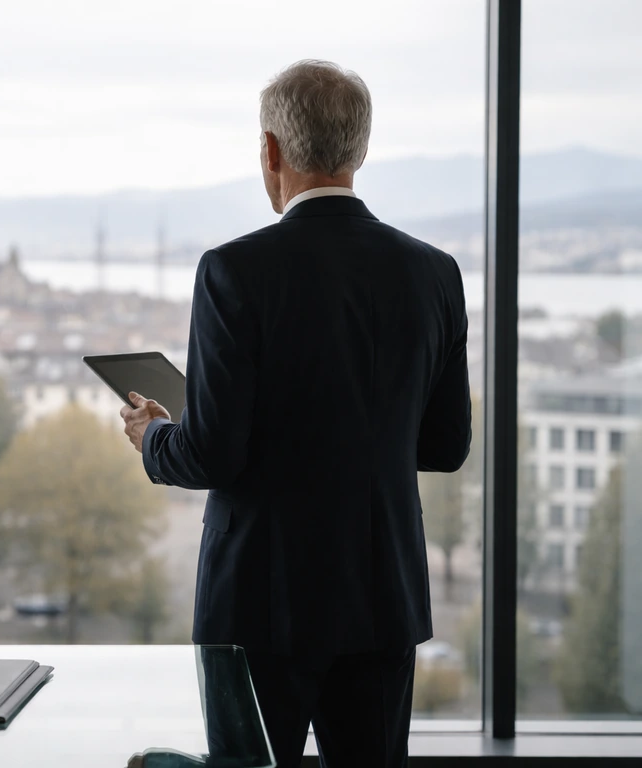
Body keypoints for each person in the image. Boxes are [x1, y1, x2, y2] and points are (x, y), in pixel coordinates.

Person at [120, 59, 471, 768]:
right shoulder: (434, 272)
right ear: (360, 151)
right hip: (380, 597)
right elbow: (445, 443)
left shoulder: (233, 271)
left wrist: (154, 435)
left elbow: (213, 453)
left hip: (258, 601)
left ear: (271, 152)